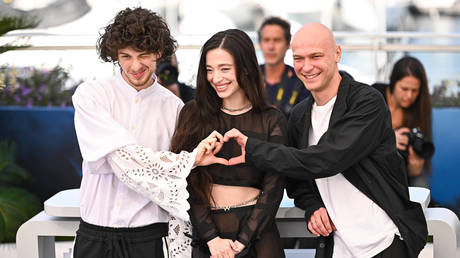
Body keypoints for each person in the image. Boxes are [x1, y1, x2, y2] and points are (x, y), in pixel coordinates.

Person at [224, 23, 428, 258]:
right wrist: (312, 206)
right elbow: (296, 177)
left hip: (383, 242)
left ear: (337, 54)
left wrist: (252, 149)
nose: (307, 67)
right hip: (337, 245)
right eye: (299, 58)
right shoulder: (300, 115)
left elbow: (327, 158)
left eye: (316, 56)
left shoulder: (367, 102)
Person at [72, 8, 227, 258]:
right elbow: (120, 159)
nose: (135, 66)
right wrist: (187, 160)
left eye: (143, 55)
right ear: (114, 55)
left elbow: (177, 181)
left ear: (158, 52)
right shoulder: (91, 96)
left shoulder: (175, 108)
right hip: (95, 233)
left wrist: (183, 165)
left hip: (149, 236)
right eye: (125, 56)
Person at [170, 29, 287, 258]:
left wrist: (242, 242)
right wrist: (212, 239)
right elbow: (187, 180)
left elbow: (273, 189)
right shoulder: (193, 113)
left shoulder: (272, 119)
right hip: (208, 238)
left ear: (245, 68)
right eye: (209, 70)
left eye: (225, 69)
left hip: (259, 236)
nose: (216, 78)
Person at [372, 56, 433, 188]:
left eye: (415, 91)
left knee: (421, 186)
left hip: (400, 171)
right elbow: (357, 136)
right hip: (372, 169)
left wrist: (415, 168)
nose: (409, 96)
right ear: (393, 83)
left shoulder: (419, 108)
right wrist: (389, 139)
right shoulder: (373, 95)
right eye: (404, 89)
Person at [258, 16, 310, 117]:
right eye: (266, 40)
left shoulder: (301, 80)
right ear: (260, 44)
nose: (271, 47)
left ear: (287, 44)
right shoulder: (248, 76)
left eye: (277, 40)